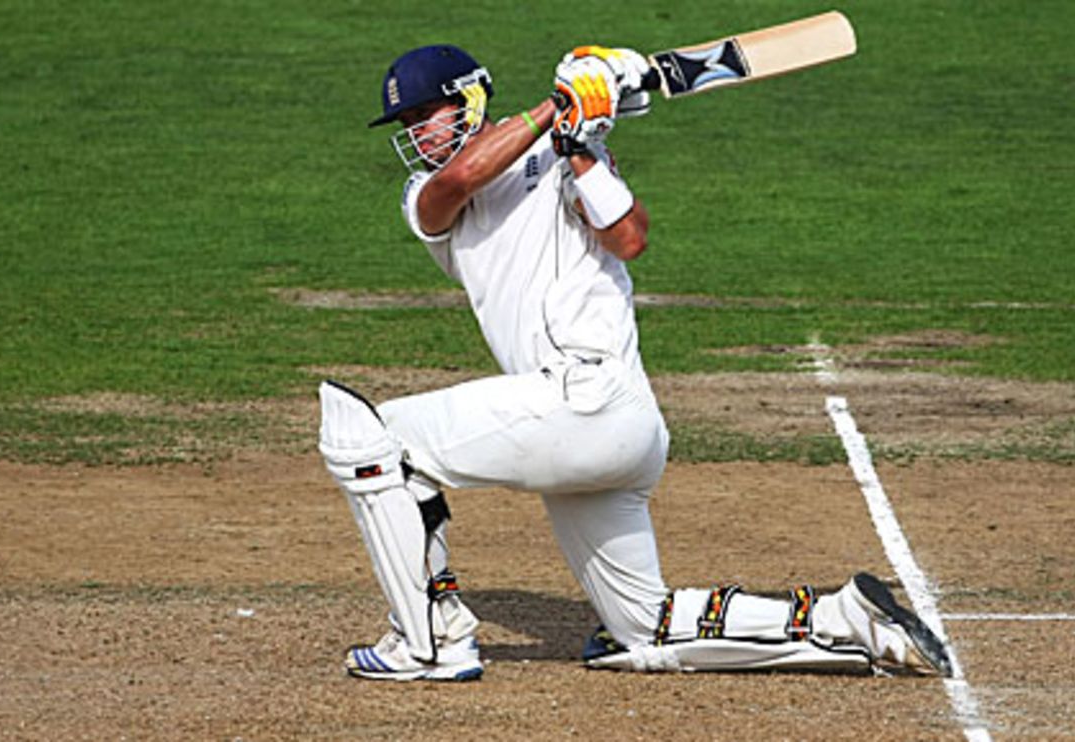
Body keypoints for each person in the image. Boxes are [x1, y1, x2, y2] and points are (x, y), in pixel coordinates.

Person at [316, 44, 952, 681]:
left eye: (428, 113)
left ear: (470, 100)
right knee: (641, 629)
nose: (418, 133)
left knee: (370, 437)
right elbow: (461, 182)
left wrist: (581, 145)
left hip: (592, 399)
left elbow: (630, 238)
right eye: (409, 124)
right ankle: (848, 622)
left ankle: (428, 643)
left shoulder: (559, 157)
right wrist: (561, 106)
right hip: (586, 421)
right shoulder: (425, 194)